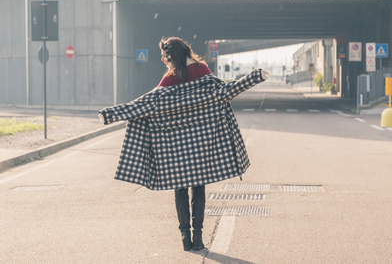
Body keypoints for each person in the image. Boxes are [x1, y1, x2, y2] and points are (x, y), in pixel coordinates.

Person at [98, 37, 269, 251]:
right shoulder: (202, 71)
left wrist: (110, 114)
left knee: (180, 190)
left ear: (173, 57)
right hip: (201, 148)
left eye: (164, 56)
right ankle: (198, 237)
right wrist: (255, 77)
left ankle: (185, 239)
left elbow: (143, 104)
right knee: (199, 188)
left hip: (175, 152)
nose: (162, 60)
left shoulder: (170, 79)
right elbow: (226, 91)